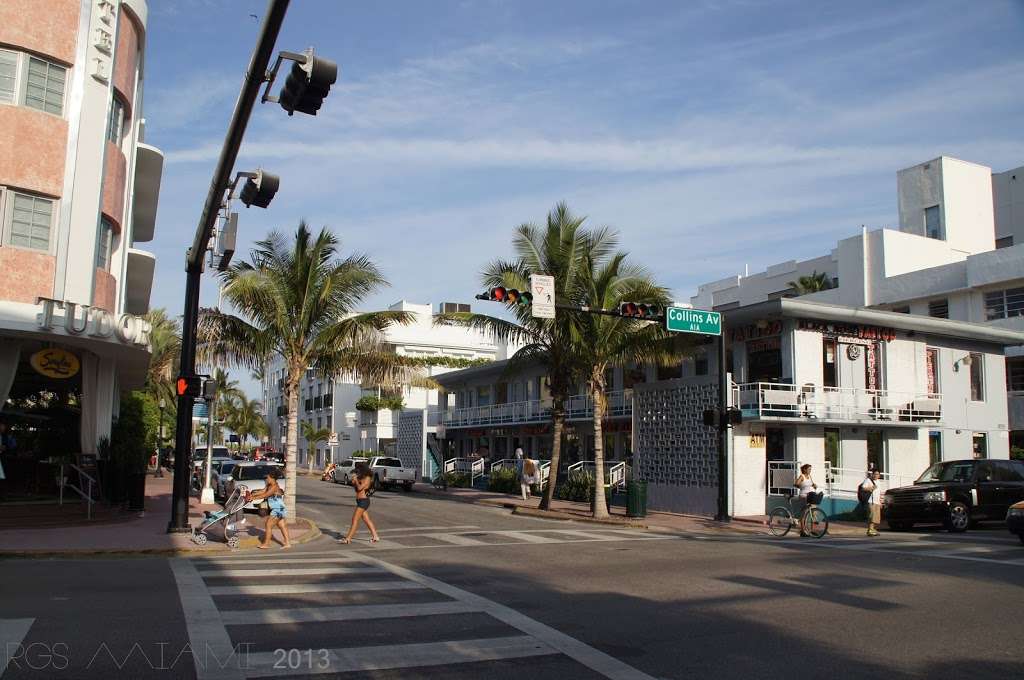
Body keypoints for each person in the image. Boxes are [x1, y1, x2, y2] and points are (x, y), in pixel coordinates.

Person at [246, 468, 292, 549]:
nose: (266, 479)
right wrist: (252, 494)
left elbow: (265, 495)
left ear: (272, 478)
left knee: (268, 525)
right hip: (279, 509)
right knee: (282, 525)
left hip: (277, 509)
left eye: (268, 478)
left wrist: (253, 498)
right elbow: (263, 491)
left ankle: (266, 544)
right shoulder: (269, 485)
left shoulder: (274, 487)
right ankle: (287, 543)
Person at [339, 463, 380, 544]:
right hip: (360, 501)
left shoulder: (367, 478)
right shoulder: (361, 478)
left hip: (363, 501)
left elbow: (360, 488)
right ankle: (375, 536)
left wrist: (356, 481)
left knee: (355, 519)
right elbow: (357, 489)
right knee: (366, 519)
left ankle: (348, 539)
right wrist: (354, 481)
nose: (357, 473)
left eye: (358, 472)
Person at [859, 469, 882, 537]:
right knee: (872, 516)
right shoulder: (868, 480)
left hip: (877, 501)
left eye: (877, 474)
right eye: (875, 474)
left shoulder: (878, 482)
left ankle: (872, 529)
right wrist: (871, 488)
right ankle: (870, 530)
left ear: (879, 475)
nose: (876, 475)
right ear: (872, 474)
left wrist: (880, 502)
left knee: (876, 517)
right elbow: (863, 488)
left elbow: (879, 492)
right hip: (870, 501)